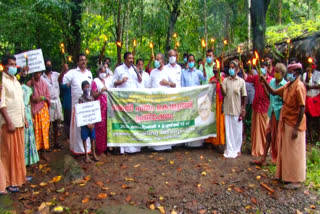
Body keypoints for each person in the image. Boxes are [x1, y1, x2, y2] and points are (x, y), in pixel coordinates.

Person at [260, 62, 306, 189]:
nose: (289, 75)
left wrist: (296, 127)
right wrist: (264, 81)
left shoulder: (299, 87)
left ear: (296, 73)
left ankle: (296, 179)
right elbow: (274, 92)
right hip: (285, 120)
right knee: (286, 150)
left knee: (295, 152)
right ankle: (285, 176)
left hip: (295, 122)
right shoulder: (288, 86)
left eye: (290, 72)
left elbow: (302, 107)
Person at [0, 55, 26, 192]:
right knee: (9, 153)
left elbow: (20, 100)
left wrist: (25, 118)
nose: (14, 67)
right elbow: (1, 104)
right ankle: (9, 182)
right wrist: (8, 121)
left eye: (15, 64)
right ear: (4, 66)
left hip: (19, 121)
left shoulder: (15, 79)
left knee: (18, 152)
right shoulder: (2, 81)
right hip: (9, 123)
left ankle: (19, 177)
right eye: (11, 64)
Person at [254, 63, 287, 165]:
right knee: (268, 135)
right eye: (275, 71)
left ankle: (278, 159)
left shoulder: (285, 85)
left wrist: (264, 82)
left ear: (282, 73)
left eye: (278, 71)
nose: (276, 73)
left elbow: (274, 92)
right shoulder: (272, 81)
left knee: (277, 137)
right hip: (271, 112)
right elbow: (269, 96)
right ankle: (263, 158)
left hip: (279, 113)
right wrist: (264, 86)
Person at [63, 54, 93, 155]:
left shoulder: (89, 73)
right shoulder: (72, 73)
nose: (83, 62)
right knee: (77, 128)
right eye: (81, 60)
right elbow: (62, 82)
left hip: (87, 107)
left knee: (87, 127)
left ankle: (87, 150)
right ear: (78, 62)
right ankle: (76, 150)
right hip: (76, 105)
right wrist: (64, 70)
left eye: (84, 60)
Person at [113, 52, 142, 154]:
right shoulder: (119, 69)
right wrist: (121, 81)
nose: (131, 60)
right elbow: (114, 83)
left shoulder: (134, 69)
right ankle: (124, 148)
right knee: (124, 122)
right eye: (129, 58)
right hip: (123, 101)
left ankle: (135, 147)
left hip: (134, 100)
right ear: (125, 59)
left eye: (132, 58)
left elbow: (140, 81)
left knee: (133, 121)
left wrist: (138, 73)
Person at [219, 60, 247, 158]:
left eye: (233, 67)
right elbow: (224, 93)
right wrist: (220, 83)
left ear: (237, 69)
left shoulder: (241, 81)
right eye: (230, 67)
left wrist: (243, 109)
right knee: (229, 131)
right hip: (227, 108)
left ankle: (237, 149)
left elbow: (244, 96)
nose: (231, 69)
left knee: (237, 131)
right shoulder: (225, 80)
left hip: (237, 109)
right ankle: (229, 148)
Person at [245, 62, 272, 157]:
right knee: (255, 129)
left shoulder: (271, 80)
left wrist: (264, 83)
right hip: (256, 106)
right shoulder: (256, 77)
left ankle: (266, 149)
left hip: (265, 107)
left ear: (268, 68)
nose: (263, 69)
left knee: (265, 129)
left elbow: (270, 94)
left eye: (264, 67)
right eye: (261, 67)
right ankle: (256, 149)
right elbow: (247, 78)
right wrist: (242, 67)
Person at [149, 53, 176, 151]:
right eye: (155, 59)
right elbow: (148, 86)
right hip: (155, 102)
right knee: (156, 123)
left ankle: (167, 145)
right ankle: (156, 145)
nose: (156, 61)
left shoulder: (168, 71)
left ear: (162, 61)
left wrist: (167, 83)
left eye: (158, 59)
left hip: (165, 102)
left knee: (165, 123)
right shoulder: (152, 72)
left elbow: (174, 84)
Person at [42, 59, 64, 148]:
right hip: (47, 101)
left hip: (56, 100)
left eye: (50, 64)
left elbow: (62, 79)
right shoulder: (41, 77)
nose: (49, 66)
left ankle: (55, 142)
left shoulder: (55, 74)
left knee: (56, 122)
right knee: (47, 123)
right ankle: (46, 144)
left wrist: (63, 70)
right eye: (47, 65)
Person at [29, 71, 51, 161]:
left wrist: (41, 98)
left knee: (44, 131)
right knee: (36, 130)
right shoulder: (30, 84)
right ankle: (36, 153)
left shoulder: (44, 83)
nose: (38, 75)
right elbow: (27, 96)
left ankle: (44, 152)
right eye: (36, 73)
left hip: (43, 109)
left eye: (39, 73)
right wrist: (33, 98)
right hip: (35, 111)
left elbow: (47, 96)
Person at [19, 74, 39, 166]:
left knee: (23, 138)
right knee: (29, 137)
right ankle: (29, 160)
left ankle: (23, 160)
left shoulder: (17, 89)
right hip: (26, 112)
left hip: (20, 113)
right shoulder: (28, 89)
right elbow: (30, 102)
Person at [91, 66, 112, 155]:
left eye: (104, 72)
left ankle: (106, 148)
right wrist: (101, 91)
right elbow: (93, 95)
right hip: (99, 108)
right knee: (99, 128)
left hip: (107, 108)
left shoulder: (106, 81)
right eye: (101, 72)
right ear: (98, 72)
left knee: (106, 128)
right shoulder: (95, 81)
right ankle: (99, 149)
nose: (103, 74)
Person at [206, 64, 225, 147]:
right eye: (213, 68)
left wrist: (219, 82)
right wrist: (211, 83)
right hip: (212, 102)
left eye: (216, 68)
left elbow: (224, 92)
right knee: (212, 121)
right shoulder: (211, 79)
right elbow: (207, 90)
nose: (215, 69)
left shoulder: (223, 79)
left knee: (220, 121)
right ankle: (211, 141)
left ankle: (220, 141)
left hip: (220, 101)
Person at [79, 81, 99, 162]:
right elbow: (80, 112)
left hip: (92, 122)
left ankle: (93, 154)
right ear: (82, 88)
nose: (87, 88)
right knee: (84, 138)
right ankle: (86, 155)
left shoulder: (91, 98)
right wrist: (87, 123)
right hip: (84, 123)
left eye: (88, 87)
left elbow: (94, 111)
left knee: (93, 138)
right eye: (85, 87)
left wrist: (92, 123)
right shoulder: (81, 99)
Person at [302, 57, 320, 142]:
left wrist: (311, 87)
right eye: (310, 64)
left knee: (317, 119)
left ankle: (318, 137)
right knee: (308, 119)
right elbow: (305, 85)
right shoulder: (305, 74)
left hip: (316, 98)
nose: (312, 66)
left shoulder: (319, 74)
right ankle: (310, 137)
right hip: (308, 98)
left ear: (315, 65)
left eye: (313, 64)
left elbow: (318, 85)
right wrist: (307, 77)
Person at [59, 64, 72, 140]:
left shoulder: (72, 80)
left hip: (73, 102)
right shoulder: (63, 80)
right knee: (67, 120)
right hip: (67, 103)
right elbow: (61, 83)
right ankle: (68, 135)